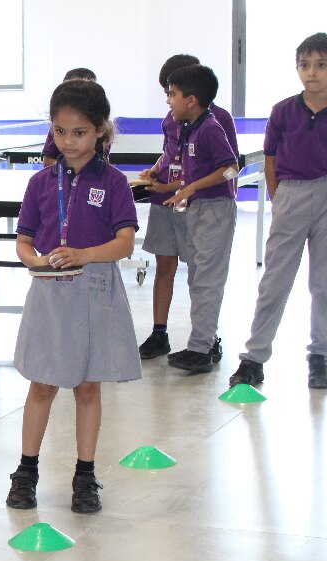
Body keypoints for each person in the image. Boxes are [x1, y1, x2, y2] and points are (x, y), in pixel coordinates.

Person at [7, 80, 141, 515]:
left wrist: (84, 254)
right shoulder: (40, 184)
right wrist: (38, 261)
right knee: (42, 383)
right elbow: (23, 243)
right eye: (60, 132)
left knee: (87, 387)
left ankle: (86, 475)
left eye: (79, 132)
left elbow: (124, 243)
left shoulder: (116, 182)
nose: (68, 141)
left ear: (100, 131)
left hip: (96, 292)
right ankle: (26, 471)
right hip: (49, 293)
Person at [229, 33, 327, 390]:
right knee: (275, 280)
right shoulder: (283, 111)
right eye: (304, 65)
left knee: (324, 281)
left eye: (320, 65)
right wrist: (280, 195)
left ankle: (319, 356)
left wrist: (326, 188)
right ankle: (254, 358)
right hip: (290, 195)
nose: (311, 72)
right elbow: (270, 158)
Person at [137, 55, 239, 359]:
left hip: (204, 204)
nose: (168, 100)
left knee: (203, 274)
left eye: (172, 93)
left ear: (191, 97)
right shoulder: (178, 121)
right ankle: (166, 335)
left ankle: (205, 342)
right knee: (174, 269)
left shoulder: (212, 123)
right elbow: (171, 155)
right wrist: (157, 173)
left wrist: (187, 188)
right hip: (174, 200)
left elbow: (229, 167)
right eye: (166, 93)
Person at [40, 68, 98, 167]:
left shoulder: (99, 126)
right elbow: (47, 161)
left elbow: (100, 164)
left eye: (80, 133)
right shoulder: (56, 127)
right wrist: (70, 170)